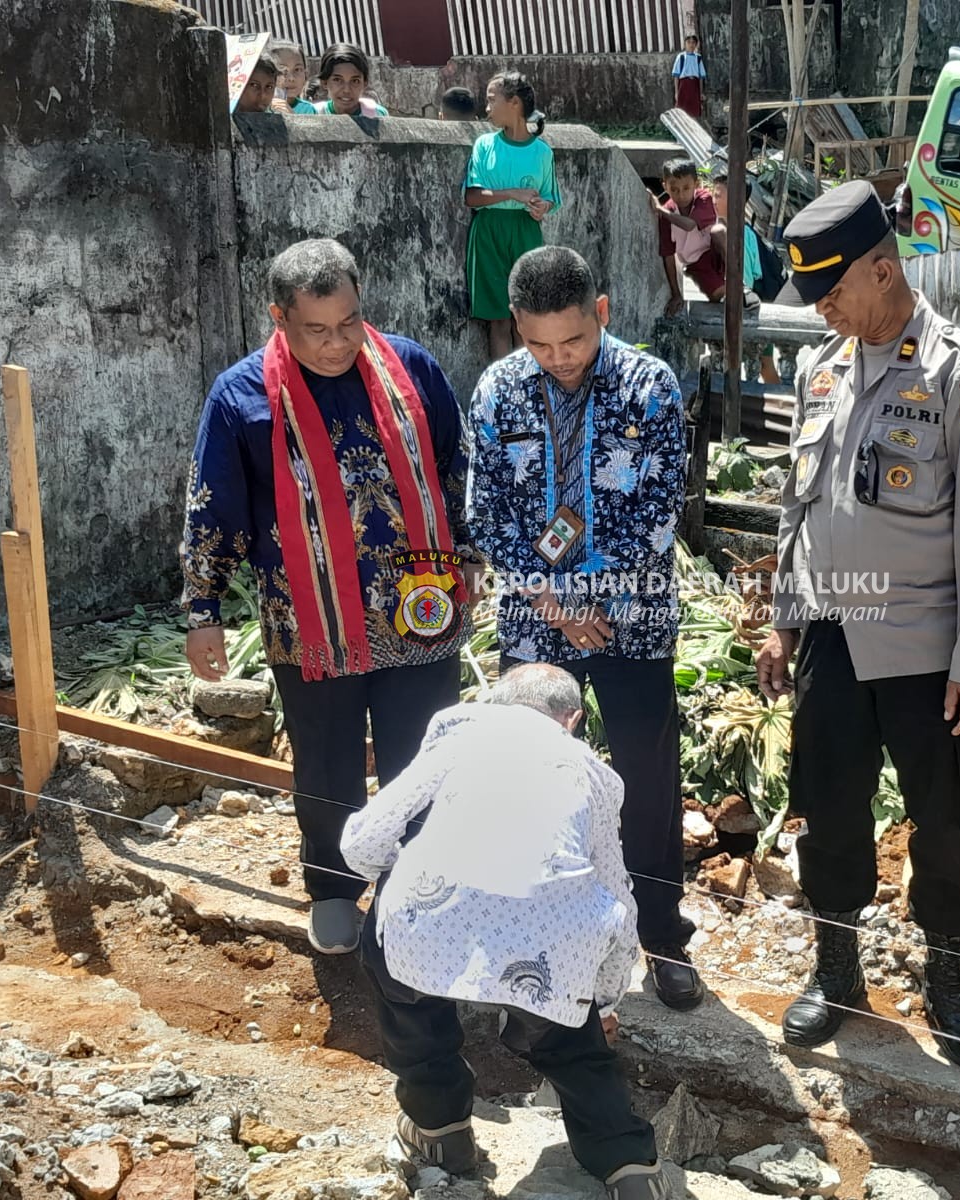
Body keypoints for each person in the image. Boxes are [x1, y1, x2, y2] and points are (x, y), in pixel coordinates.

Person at [754, 182, 960, 1073]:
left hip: (927, 650)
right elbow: (796, 509)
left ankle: (948, 987)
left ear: (883, 266)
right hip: (832, 631)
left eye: (835, 292)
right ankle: (837, 974)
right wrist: (783, 623)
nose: (824, 310)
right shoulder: (818, 368)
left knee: (944, 822)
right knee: (829, 814)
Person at [180, 239, 484, 956]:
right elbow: (213, 504)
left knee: (424, 757)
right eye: (316, 329)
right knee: (326, 760)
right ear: (279, 317)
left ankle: (418, 885)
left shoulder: (409, 366)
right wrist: (203, 611)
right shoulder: (241, 396)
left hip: (420, 609)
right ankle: (335, 889)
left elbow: (457, 462)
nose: (337, 342)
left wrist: (469, 548)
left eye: (349, 322)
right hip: (310, 621)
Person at [465, 246, 703, 1012]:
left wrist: (594, 593)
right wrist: (556, 598)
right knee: (532, 781)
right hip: (539, 624)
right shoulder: (498, 392)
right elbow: (486, 513)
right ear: (517, 331)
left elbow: (660, 506)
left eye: (572, 341)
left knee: (647, 780)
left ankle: (662, 937)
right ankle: (532, 939)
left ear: (601, 313)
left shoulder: (649, 386)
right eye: (539, 344)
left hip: (631, 620)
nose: (558, 359)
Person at [339, 663, 665, 1200]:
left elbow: (361, 844)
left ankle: (439, 1130)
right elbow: (617, 898)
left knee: (410, 1003)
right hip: (550, 944)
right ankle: (629, 1168)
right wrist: (602, 1002)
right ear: (574, 719)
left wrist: (397, 871)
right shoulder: (595, 774)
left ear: (492, 702)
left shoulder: (458, 735)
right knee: (573, 1049)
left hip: (426, 924)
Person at [464, 72, 560, 362]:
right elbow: (473, 197)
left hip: (526, 231)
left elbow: (551, 197)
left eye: (492, 101)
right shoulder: (484, 145)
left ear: (514, 103)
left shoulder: (542, 152)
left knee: (525, 316)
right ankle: (503, 392)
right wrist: (512, 194)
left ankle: (528, 387)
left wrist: (543, 206)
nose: (488, 109)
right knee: (499, 319)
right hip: (489, 232)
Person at [708, 174, 778, 384]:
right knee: (763, 366)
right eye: (713, 194)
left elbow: (744, 278)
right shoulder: (741, 232)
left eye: (718, 195)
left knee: (762, 365)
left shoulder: (739, 235)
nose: (713, 200)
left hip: (748, 312)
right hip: (749, 309)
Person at [654, 159, 722, 318]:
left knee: (720, 232)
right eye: (674, 189)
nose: (681, 194)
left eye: (686, 188)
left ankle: (738, 281)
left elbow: (689, 225)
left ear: (696, 184)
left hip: (716, 252)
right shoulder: (667, 214)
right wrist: (676, 294)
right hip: (696, 263)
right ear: (665, 187)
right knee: (718, 295)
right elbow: (668, 256)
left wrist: (660, 210)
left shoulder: (704, 199)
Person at [312, 43, 390, 117]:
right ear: (325, 82)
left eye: (355, 81)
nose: (346, 90)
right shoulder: (315, 114)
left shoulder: (377, 115)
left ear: (365, 83)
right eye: (337, 80)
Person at [267, 40, 316, 114]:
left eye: (297, 69)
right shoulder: (259, 107)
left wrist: (292, 118)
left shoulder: (307, 110)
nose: (291, 78)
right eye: (283, 71)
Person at [671, 34, 706, 120]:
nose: (691, 45)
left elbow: (701, 77)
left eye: (693, 42)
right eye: (688, 42)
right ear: (685, 44)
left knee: (693, 110)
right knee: (682, 109)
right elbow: (676, 76)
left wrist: (701, 92)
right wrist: (676, 92)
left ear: (696, 44)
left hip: (694, 85)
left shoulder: (698, 58)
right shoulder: (681, 57)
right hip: (684, 85)